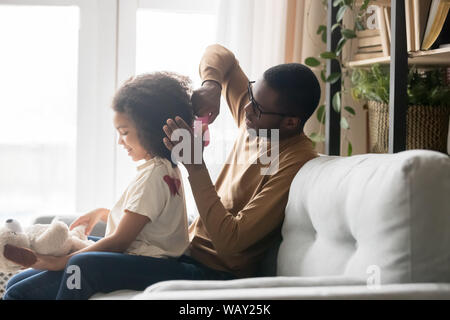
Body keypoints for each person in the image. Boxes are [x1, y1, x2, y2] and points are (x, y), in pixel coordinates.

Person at [3, 72, 235, 300]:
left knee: (62, 270)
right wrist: (104, 214)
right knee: (16, 283)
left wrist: (58, 263)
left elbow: (120, 241)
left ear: (151, 131)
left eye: (124, 133)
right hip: (146, 257)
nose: (120, 141)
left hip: (150, 264)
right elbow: (147, 221)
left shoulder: (154, 174)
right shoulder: (167, 168)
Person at [162, 44, 321, 278]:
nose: (246, 109)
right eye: (251, 94)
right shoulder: (258, 121)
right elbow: (219, 54)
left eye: (256, 107)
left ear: (290, 123)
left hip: (214, 272)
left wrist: (196, 167)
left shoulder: (295, 160)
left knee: (91, 267)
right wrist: (212, 86)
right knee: (95, 245)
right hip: (186, 251)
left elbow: (232, 242)